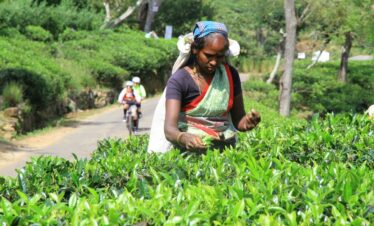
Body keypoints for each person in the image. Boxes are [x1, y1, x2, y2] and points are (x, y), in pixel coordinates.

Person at [148, 21, 261, 153]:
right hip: (187, 154)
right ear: (195, 49)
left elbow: (238, 121)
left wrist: (246, 123)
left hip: (224, 153)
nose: (214, 62)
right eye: (208, 56)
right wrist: (183, 137)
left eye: (219, 56)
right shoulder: (180, 80)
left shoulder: (231, 75)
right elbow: (169, 129)